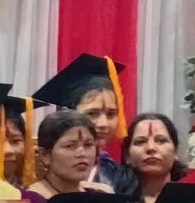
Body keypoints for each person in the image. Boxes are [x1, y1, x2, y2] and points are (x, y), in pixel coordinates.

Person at [33, 53, 137, 195]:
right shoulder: (33, 172)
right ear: (68, 113)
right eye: (92, 113)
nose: (104, 123)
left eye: (111, 114)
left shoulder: (121, 177)